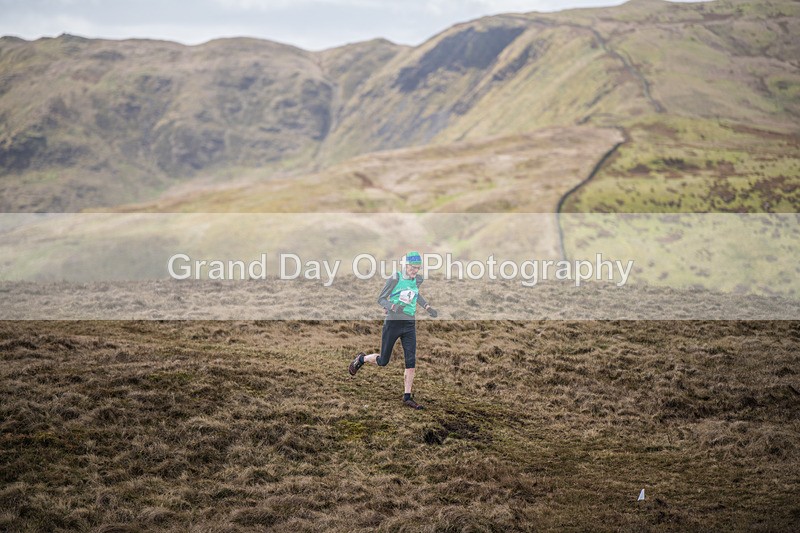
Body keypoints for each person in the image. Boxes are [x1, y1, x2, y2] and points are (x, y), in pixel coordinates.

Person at [348, 251, 438, 410]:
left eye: (417, 267)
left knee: (411, 360)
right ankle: (361, 359)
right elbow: (381, 299)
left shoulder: (417, 279)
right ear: (405, 265)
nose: (415, 270)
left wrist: (427, 307)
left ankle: (407, 397)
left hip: (409, 324)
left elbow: (415, 294)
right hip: (393, 323)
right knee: (383, 361)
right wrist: (393, 306)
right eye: (412, 267)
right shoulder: (395, 278)